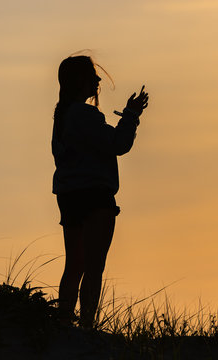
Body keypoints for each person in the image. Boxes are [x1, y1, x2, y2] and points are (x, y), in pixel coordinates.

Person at [51, 55, 148, 328]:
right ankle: (86, 326)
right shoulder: (84, 114)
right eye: (93, 76)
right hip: (95, 195)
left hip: (69, 196)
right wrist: (131, 116)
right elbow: (118, 144)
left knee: (75, 264)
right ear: (80, 80)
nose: (98, 80)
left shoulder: (63, 117)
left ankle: (63, 323)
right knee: (94, 267)